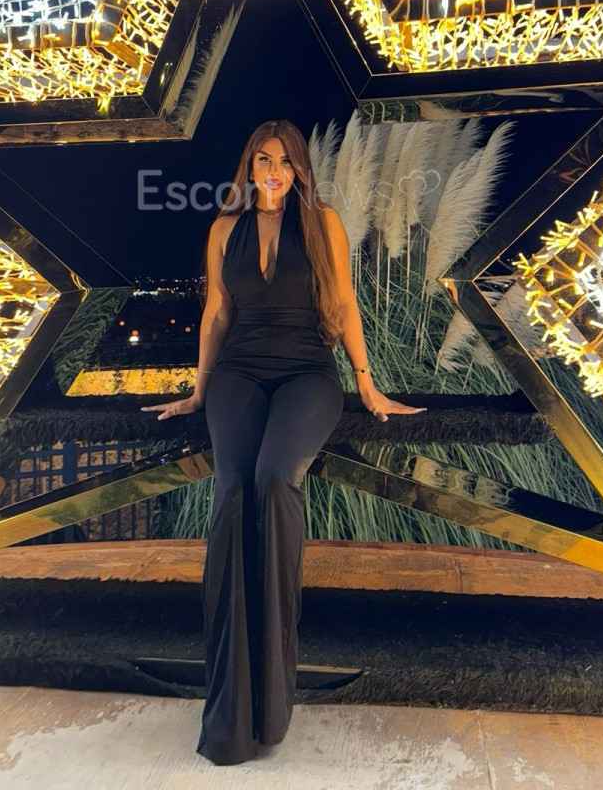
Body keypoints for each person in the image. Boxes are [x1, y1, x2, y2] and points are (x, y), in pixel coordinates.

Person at [141, 119, 425, 765]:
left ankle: (273, 689)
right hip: (238, 373)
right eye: (263, 160)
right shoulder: (224, 229)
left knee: (273, 482)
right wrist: (197, 389)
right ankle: (232, 709)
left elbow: (344, 304)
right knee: (232, 492)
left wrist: (367, 384)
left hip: (307, 374)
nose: (273, 172)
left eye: (285, 162)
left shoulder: (322, 222)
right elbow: (217, 312)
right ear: (249, 165)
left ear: (300, 170)